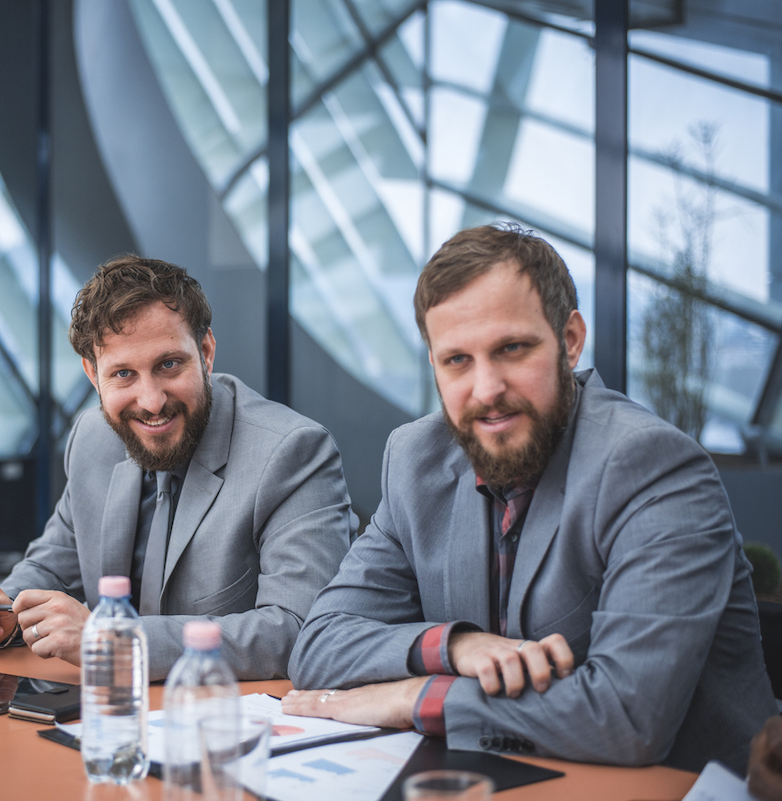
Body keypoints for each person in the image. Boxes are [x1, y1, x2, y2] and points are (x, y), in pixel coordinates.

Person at [283, 223, 775, 773]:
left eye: (511, 348)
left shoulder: (652, 466)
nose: (486, 387)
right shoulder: (415, 459)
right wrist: (456, 649)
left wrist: (415, 698)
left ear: (569, 341)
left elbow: (626, 719)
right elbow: (320, 646)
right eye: (457, 361)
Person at [0, 255, 354, 680]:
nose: (151, 401)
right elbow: (54, 565)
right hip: (114, 715)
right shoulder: (92, 437)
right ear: (93, 374)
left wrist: (114, 642)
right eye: (123, 373)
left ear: (206, 352)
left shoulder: (292, 452)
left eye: (168, 365)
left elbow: (298, 628)